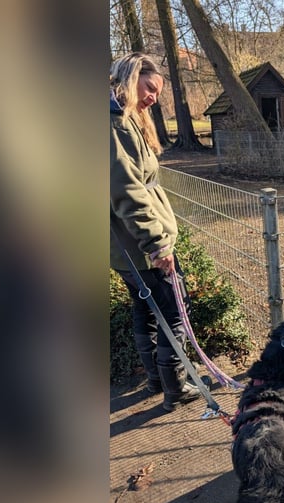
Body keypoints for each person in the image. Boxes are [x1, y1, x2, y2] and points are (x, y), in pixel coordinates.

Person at [110, 52, 200, 412]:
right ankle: (175, 387)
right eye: (149, 88)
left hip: (125, 247)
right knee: (174, 310)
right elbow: (127, 192)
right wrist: (157, 244)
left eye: (158, 92)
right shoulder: (114, 125)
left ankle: (156, 379)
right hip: (138, 245)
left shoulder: (122, 119)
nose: (153, 97)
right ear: (130, 79)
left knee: (146, 308)